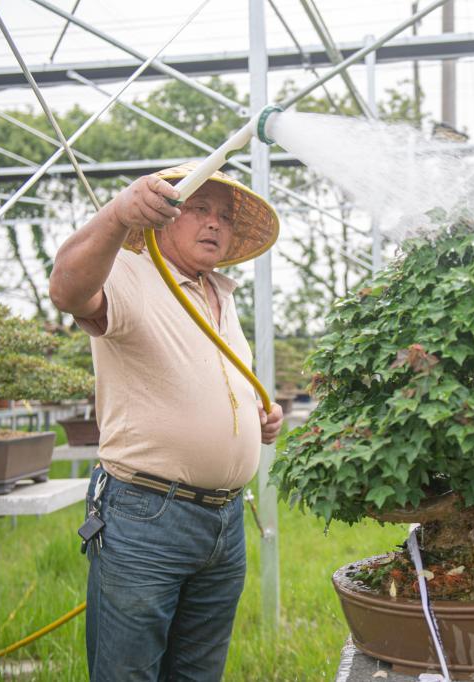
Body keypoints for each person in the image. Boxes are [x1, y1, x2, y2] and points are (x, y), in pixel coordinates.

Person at [49, 163, 284, 681]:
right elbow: (67, 290)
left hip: (223, 523)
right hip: (147, 514)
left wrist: (254, 416)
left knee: (199, 671)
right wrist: (115, 215)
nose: (214, 223)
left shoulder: (219, 292)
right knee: (129, 671)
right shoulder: (132, 272)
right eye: (199, 208)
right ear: (163, 218)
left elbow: (206, 375)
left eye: (224, 216)